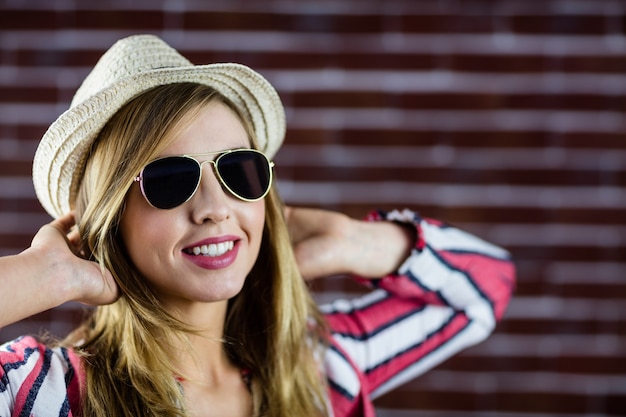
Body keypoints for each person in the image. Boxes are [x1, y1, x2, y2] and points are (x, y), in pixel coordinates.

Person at [0, 34, 516, 417]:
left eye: (237, 171)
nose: (214, 208)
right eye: (169, 179)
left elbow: (483, 292)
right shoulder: (46, 392)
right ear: (108, 220)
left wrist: (349, 240)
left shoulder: (321, 369)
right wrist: (46, 275)